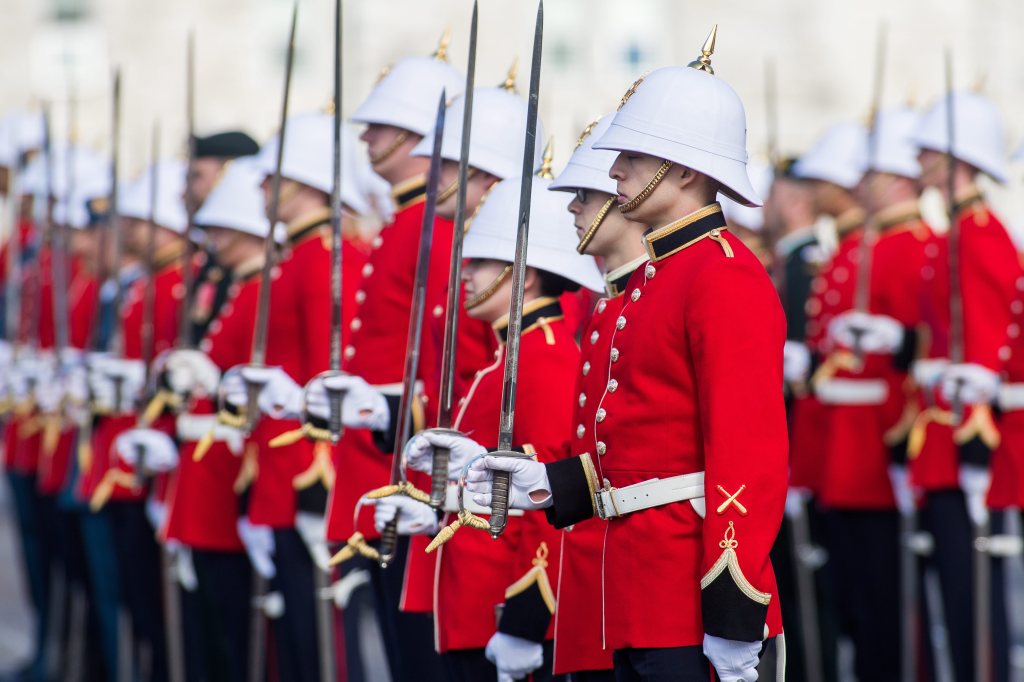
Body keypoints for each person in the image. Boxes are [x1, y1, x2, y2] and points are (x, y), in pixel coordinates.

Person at [466, 31, 789, 682]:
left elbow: (747, 457)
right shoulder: (652, 281)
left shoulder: (723, 275)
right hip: (635, 591)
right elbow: (640, 448)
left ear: (687, 171)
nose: (614, 173)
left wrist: (731, 607)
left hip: (692, 598)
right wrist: (547, 484)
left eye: (634, 158)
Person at [390, 163, 603, 681]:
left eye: (480, 264)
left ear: (521, 274)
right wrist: (430, 505)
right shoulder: (508, 357)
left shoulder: (546, 360)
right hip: (468, 597)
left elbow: (550, 501)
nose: (464, 275)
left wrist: (527, 618)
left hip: (498, 607)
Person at [908, 89, 1020, 682]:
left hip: (972, 437)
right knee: (956, 588)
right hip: (945, 435)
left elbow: (991, 341)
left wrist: (977, 424)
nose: (919, 160)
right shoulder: (956, 232)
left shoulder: (980, 233)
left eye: (930, 151)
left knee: (975, 595)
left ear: (958, 160)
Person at [544, 112, 649, 681]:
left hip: (647, 569)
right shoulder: (611, 304)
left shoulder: (645, 299)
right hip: (597, 562)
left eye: (585, 195)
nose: (573, 208)